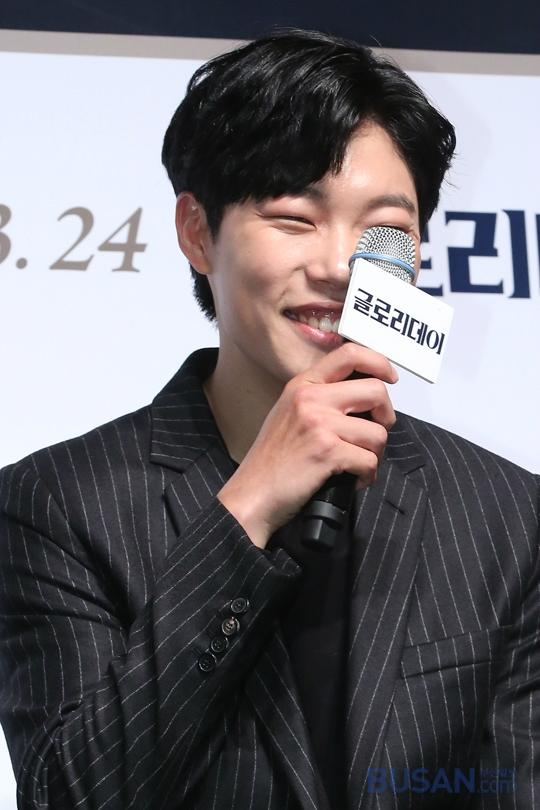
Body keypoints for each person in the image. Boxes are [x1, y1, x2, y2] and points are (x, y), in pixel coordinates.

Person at [0, 28, 538, 810]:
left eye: (385, 231)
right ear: (197, 232)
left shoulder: (508, 518)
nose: (340, 265)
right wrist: (247, 511)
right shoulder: (56, 504)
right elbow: (72, 795)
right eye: (294, 218)